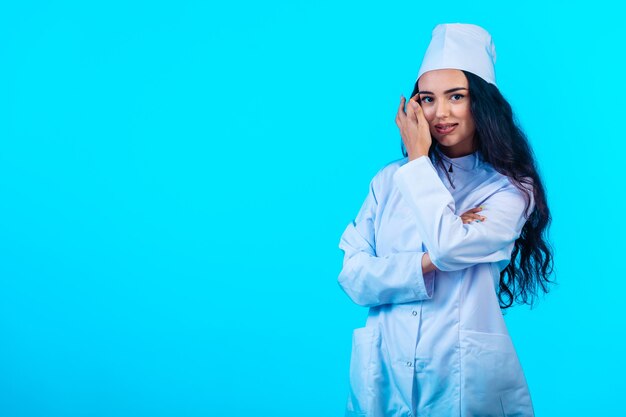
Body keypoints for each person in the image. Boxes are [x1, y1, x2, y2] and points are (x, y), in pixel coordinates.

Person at [337, 23, 554, 417]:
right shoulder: (388, 181)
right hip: (386, 372)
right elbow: (353, 278)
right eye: (428, 99)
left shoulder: (509, 189)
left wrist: (419, 161)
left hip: (465, 380)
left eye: (457, 96)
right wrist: (429, 261)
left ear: (482, 102)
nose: (440, 113)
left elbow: (450, 245)